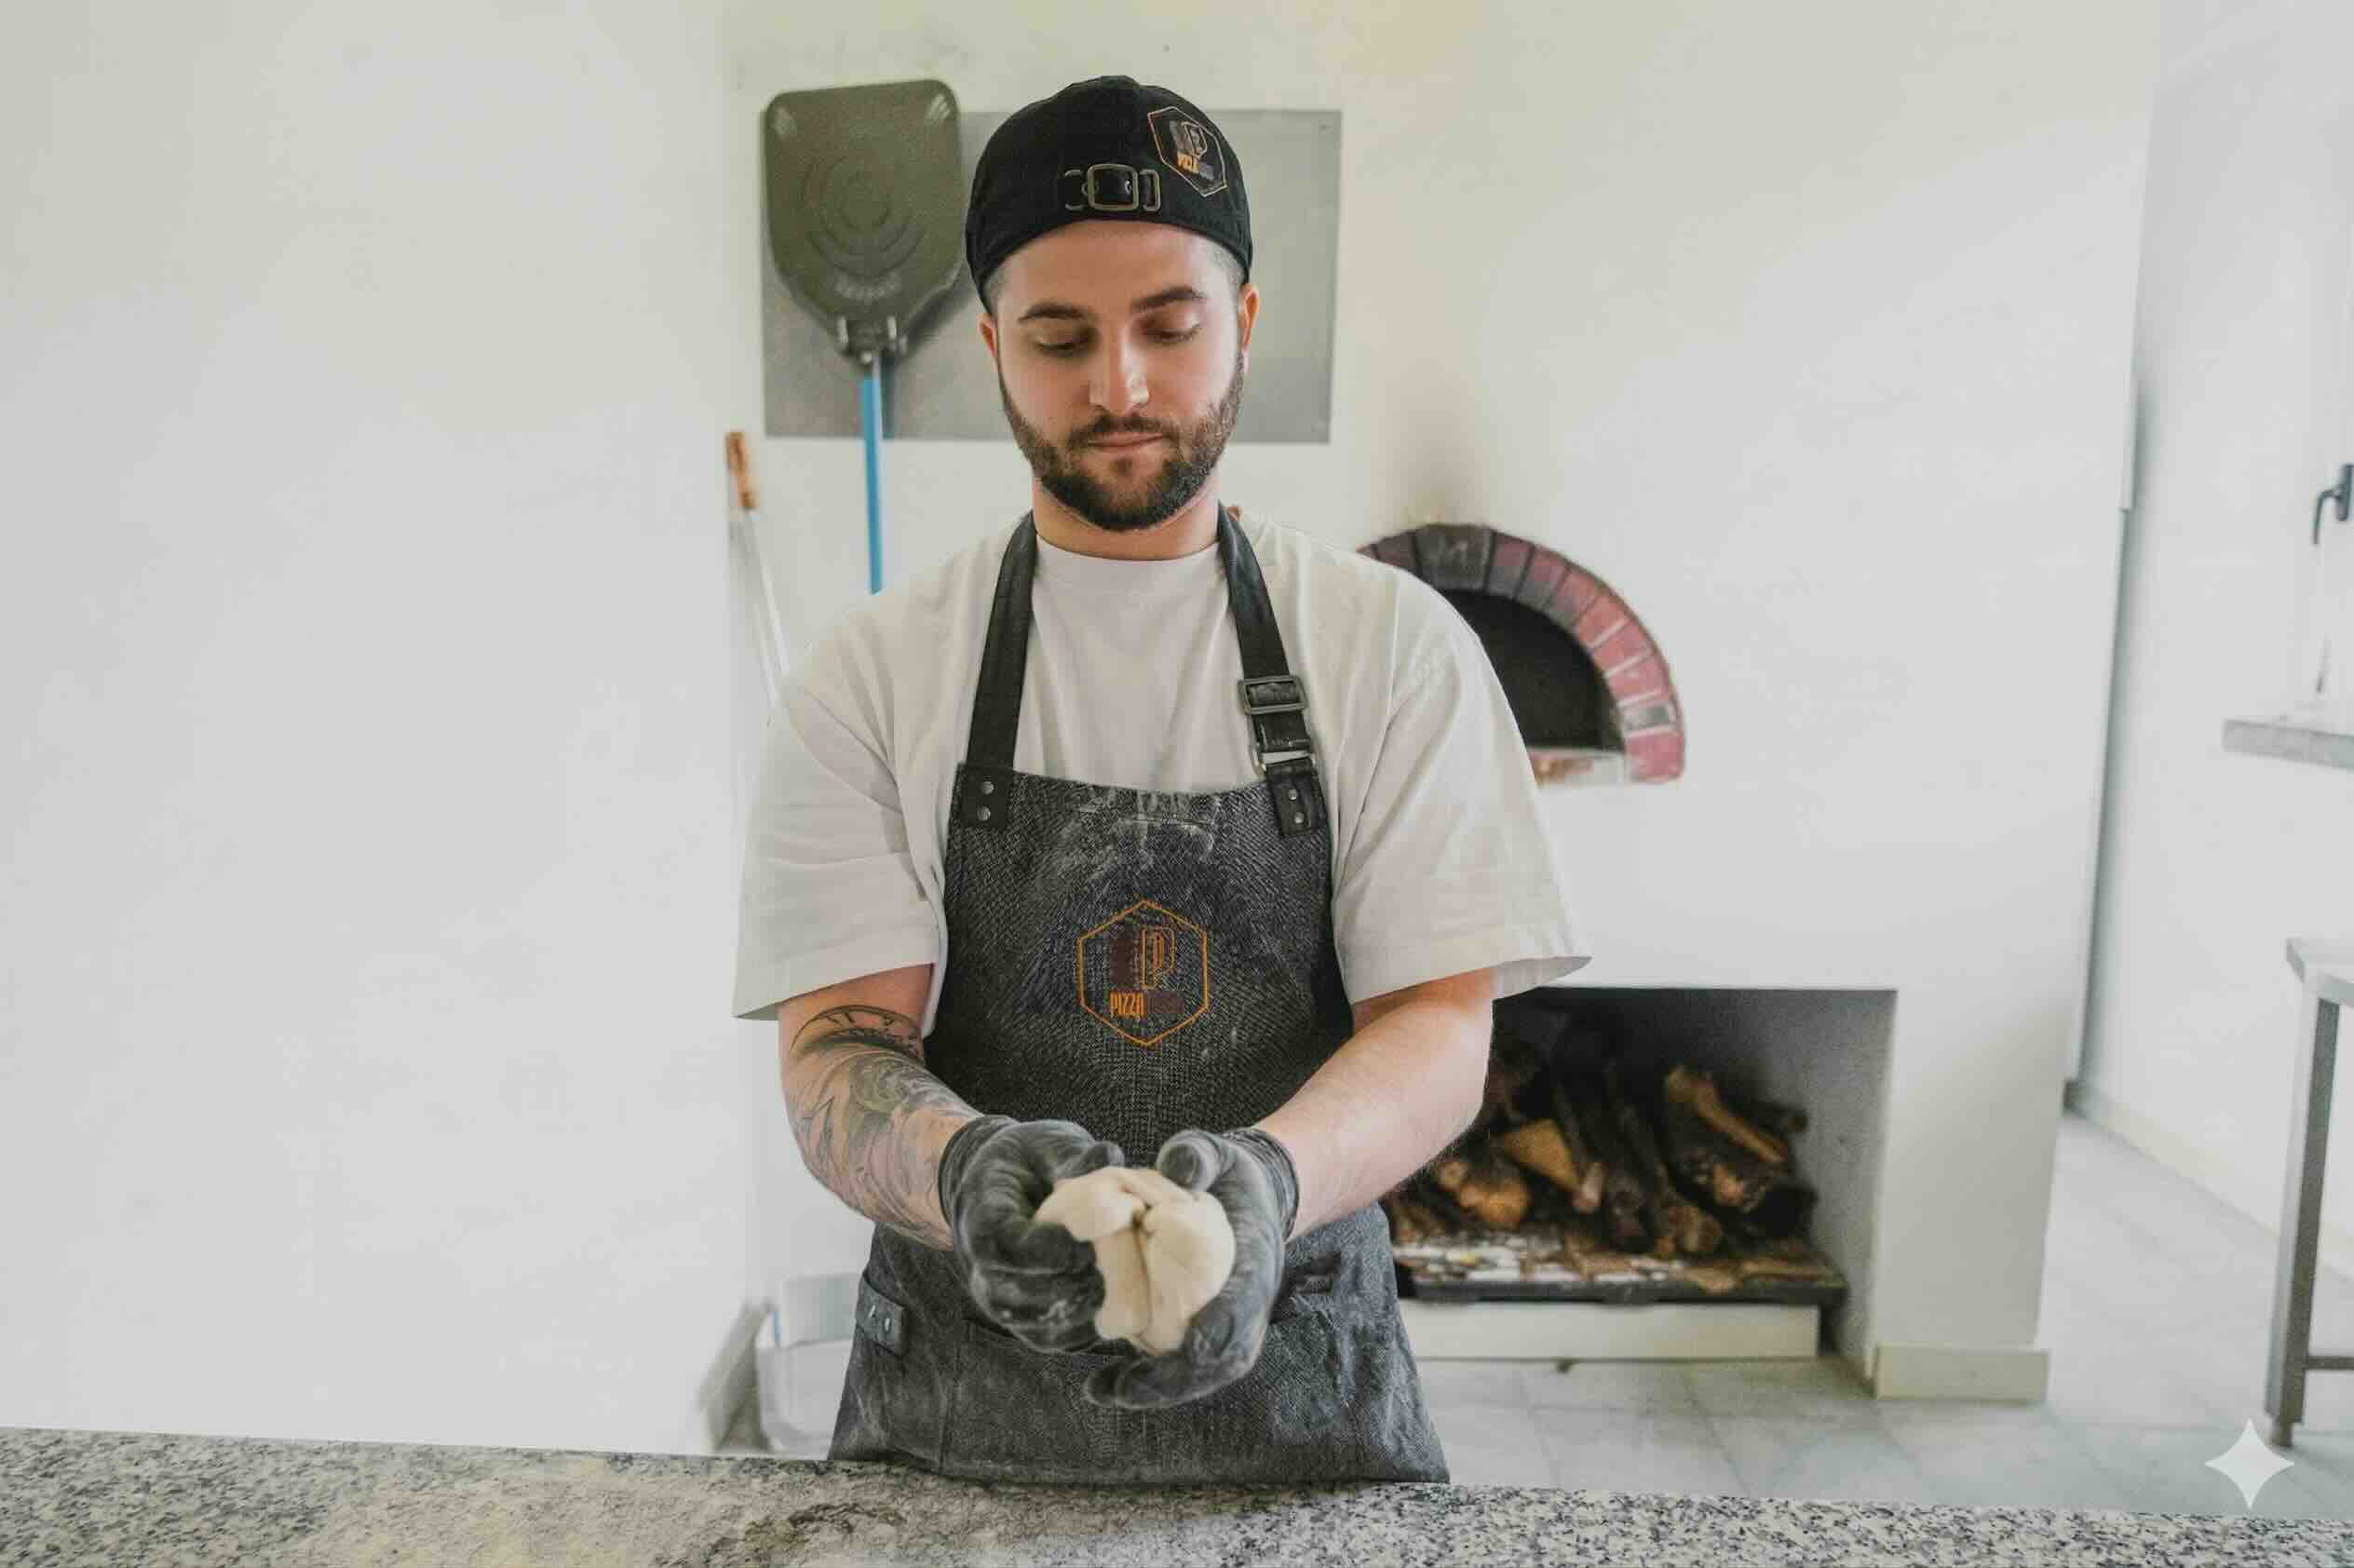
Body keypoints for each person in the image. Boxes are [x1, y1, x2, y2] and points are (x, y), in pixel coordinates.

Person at [731, 74, 1590, 1486]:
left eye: (1170, 326)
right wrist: (961, 1171)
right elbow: (838, 1051)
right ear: (992, 344)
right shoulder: (875, 672)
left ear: (1243, 320)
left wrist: (1266, 1191)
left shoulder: (1389, 647)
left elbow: (1439, 1024)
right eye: (1059, 336)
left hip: (1306, 1415)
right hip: (955, 1428)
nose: (1119, 385)